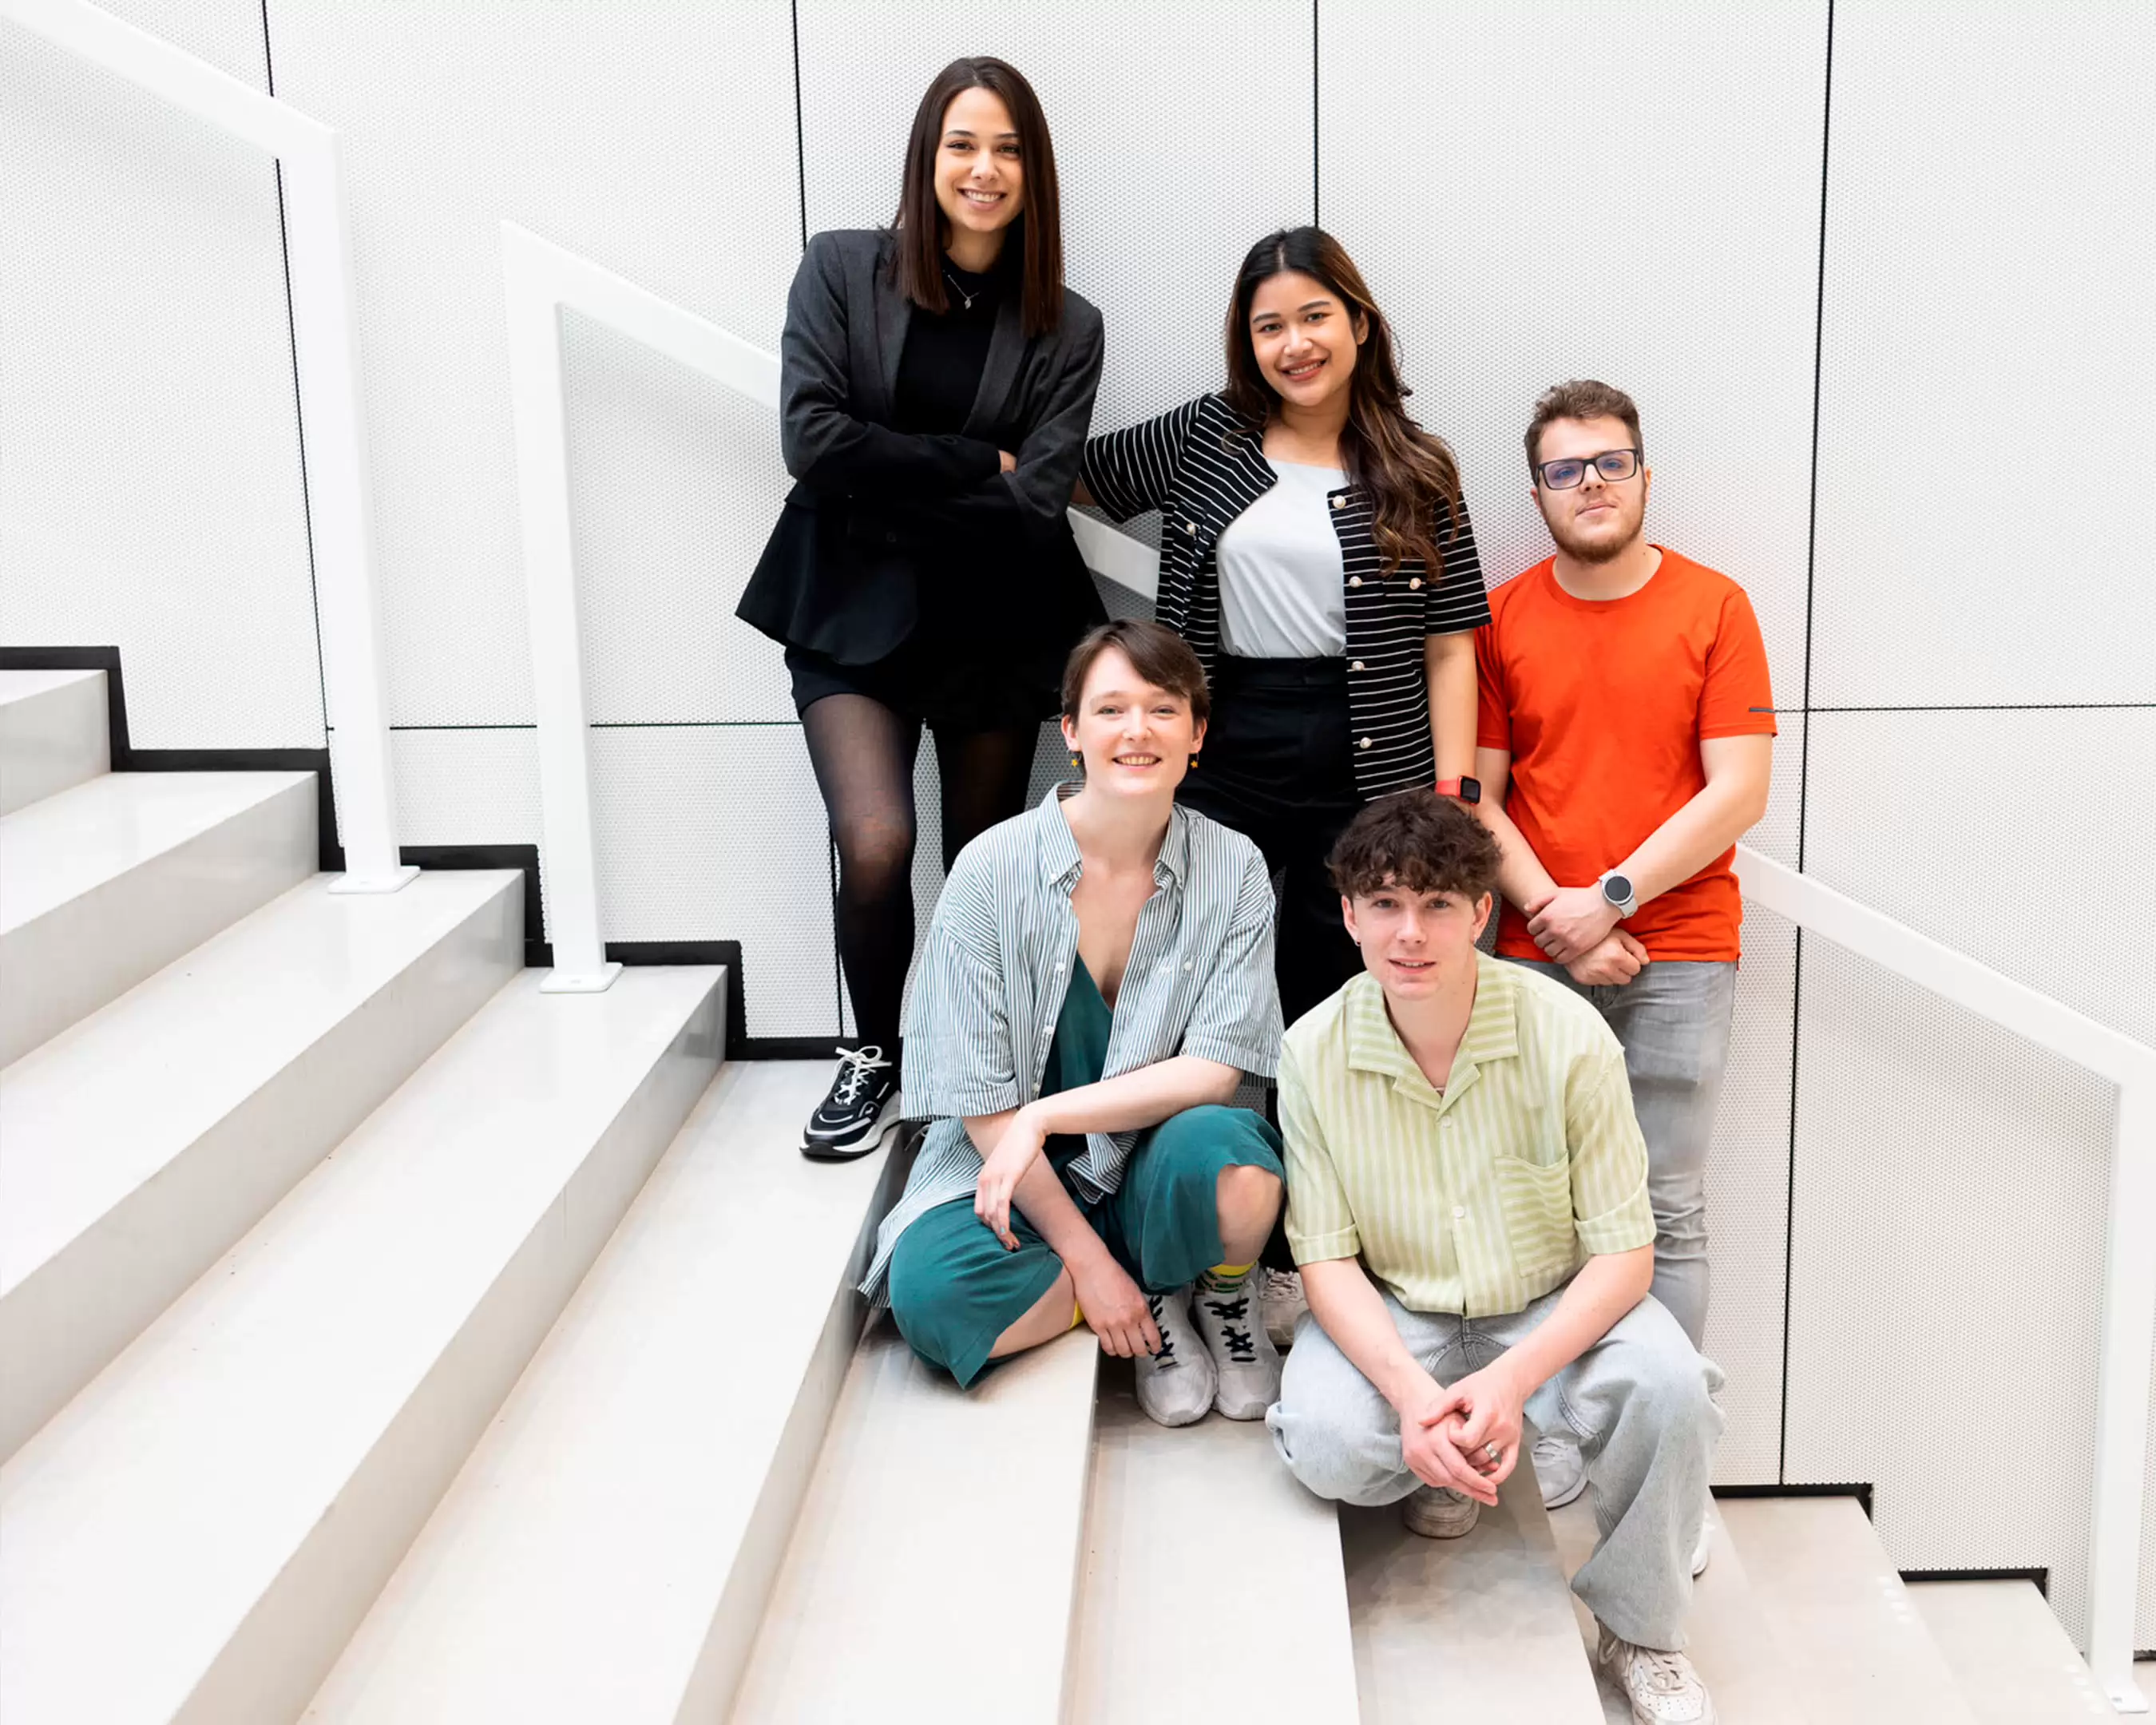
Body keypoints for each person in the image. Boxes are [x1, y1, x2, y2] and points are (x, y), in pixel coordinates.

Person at [1266, 792, 1723, 1725]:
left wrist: (1513, 1381)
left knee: (1670, 1387)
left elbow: (1626, 1257)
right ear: (1348, 915)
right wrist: (1411, 1400)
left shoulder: (1567, 1036)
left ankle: (1644, 1632)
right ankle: (1447, 1457)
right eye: (1385, 905)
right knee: (1328, 1443)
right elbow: (1327, 1264)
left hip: (1547, 1303)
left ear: (1482, 913)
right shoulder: (1311, 1053)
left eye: (1438, 905)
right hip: (1404, 1308)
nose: (1410, 934)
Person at [738, 56, 1108, 1160]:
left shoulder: (1067, 324)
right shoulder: (843, 271)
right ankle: (876, 1057)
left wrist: (890, 470)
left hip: (993, 611)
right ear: (927, 157)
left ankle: (967, 1064)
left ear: (1032, 172)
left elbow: (1037, 494)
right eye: (962, 145)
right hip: (848, 602)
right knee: (878, 836)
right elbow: (812, 439)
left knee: (984, 855)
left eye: (1005, 150)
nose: (983, 169)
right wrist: (966, 461)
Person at [1472, 379, 1774, 1517]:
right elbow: (1477, 799)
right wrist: (1555, 913)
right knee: (1533, 1203)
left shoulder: (1716, 608)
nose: (1589, 484)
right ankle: (1557, 1426)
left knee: (1665, 1209)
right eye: (1565, 469)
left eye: (1610, 463)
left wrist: (1607, 900)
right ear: (1538, 490)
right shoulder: (1502, 618)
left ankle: (1669, 1479)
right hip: (1532, 949)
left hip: (1684, 951)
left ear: (1646, 476)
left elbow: (1737, 792)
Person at [864, 621, 1289, 1427]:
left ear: (1198, 734)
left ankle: (1207, 1297)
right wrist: (1090, 1266)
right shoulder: (990, 871)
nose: (1137, 731)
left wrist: (1048, 1115)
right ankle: (1136, 1291)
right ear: (1071, 733)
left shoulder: (1233, 866)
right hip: (1012, 1173)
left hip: (1150, 1154)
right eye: (1111, 710)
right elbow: (987, 1110)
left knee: (1239, 1167)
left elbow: (1215, 1069)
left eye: (1164, 710)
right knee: (931, 1297)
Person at [1075, 227, 1490, 1033]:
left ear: (1359, 325)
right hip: (1229, 733)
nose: (1295, 345)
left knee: (1338, 972)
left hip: (1373, 744)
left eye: (1315, 318)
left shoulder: (1419, 469)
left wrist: (1453, 796)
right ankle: (1214, 1150)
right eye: (1270, 328)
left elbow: (1448, 647)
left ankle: (1318, 1150)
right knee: (1202, 958)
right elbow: (1074, 475)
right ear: (1248, 342)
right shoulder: (1207, 437)